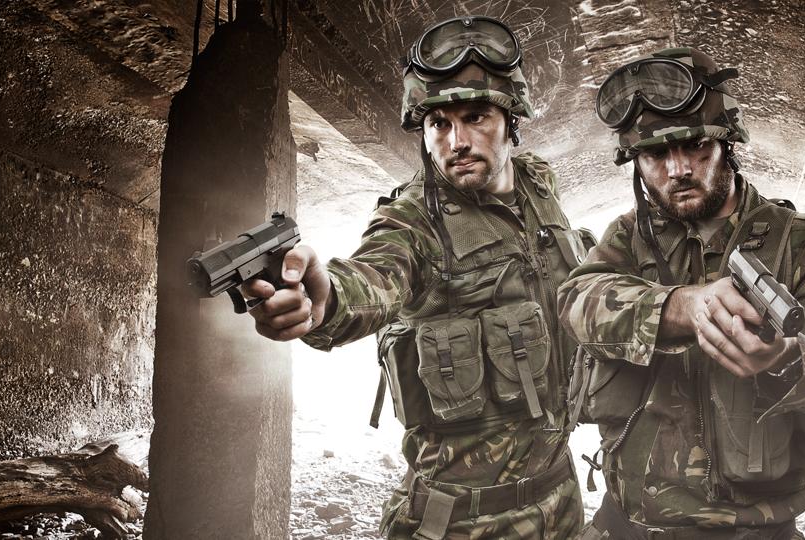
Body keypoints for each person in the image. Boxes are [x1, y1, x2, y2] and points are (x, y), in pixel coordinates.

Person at [242, 15, 589, 540]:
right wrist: (321, 300)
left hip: (561, 501)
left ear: (512, 120)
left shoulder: (539, 184)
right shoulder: (412, 220)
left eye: (476, 117)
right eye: (439, 124)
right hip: (465, 522)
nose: (457, 141)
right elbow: (372, 278)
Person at [557, 47, 805, 539]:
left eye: (695, 145)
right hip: (626, 524)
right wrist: (680, 307)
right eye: (656, 154)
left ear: (726, 143)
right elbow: (576, 301)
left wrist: (789, 360)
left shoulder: (802, 243)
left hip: (755, 530)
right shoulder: (630, 238)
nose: (678, 168)